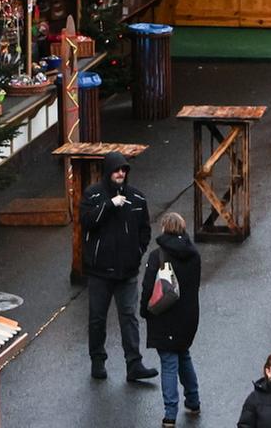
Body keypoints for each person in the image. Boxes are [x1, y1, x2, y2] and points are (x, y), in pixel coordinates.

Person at [82, 153, 158, 382]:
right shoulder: (93, 195)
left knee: (129, 318)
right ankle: (97, 360)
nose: (120, 174)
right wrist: (109, 205)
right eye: (116, 170)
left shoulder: (137, 198)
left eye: (124, 170)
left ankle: (134, 364)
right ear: (108, 171)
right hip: (99, 272)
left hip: (127, 271)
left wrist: (137, 253)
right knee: (97, 318)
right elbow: (87, 222)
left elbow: (145, 230)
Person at [141, 213, 202, 428]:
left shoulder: (158, 256)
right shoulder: (194, 255)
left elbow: (148, 287)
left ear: (164, 229)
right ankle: (193, 400)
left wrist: (145, 311)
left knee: (168, 362)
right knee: (183, 354)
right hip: (188, 317)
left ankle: (170, 414)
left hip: (165, 317)